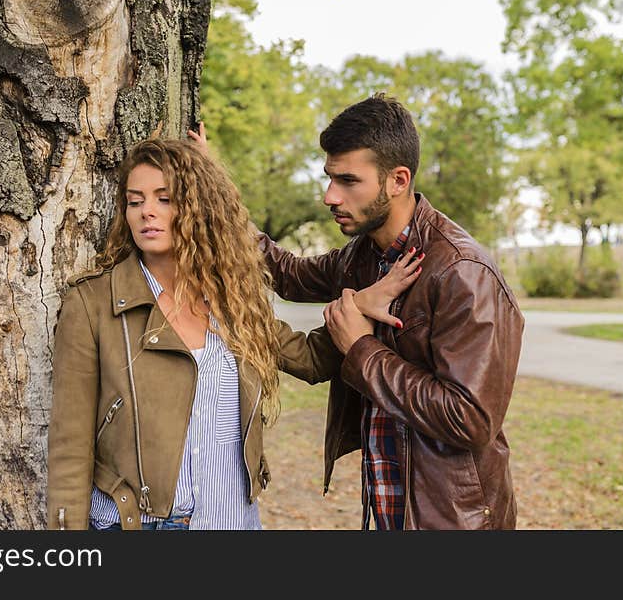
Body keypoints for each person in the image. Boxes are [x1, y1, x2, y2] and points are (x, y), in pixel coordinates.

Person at [46, 138, 417, 530]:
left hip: (232, 521)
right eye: (135, 201)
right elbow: (71, 443)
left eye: (164, 199)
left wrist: (358, 306)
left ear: (197, 209)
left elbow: (311, 359)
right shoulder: (93, 303)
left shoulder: (232, 301)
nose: (146, 213)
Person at [218, 94, 525, 530]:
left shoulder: (461, 271)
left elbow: (470, 420)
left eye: (347, 181)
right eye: (329, 178)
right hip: (387, 508)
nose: (330, 196)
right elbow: (285, 273)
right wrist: (214, 188)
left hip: (454, 520)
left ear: (397, 180)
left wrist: (360, 349)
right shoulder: (361, 258)